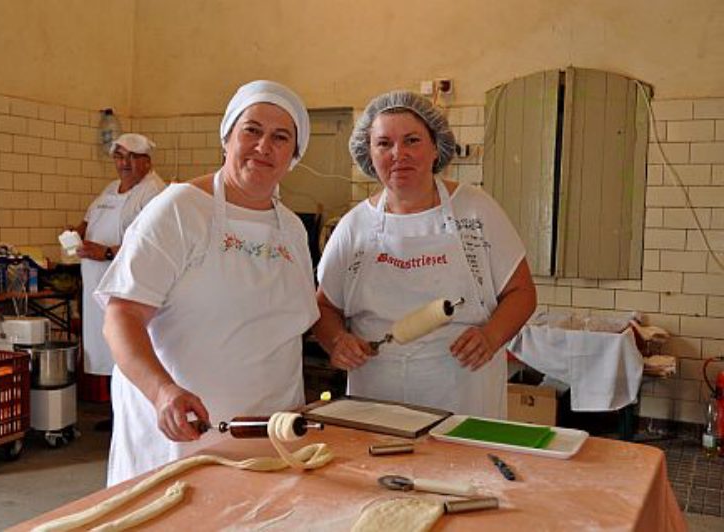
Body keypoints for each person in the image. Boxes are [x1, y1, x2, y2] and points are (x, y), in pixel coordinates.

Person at [95, 80, 319, 486]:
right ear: (227, 137)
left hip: (271, 433)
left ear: (294, 155)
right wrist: (162, 392)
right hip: (185, 433)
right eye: (251, 130)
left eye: (280, 137)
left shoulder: (291, 228)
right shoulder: (179, 210)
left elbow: (292, 322)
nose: (263, 146)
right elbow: (121, 316)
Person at [313, 91, 537, 419]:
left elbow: (522, 293)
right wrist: (336, 341)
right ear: (368, 153)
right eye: (384, 143)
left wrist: (491, 337)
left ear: (436, 147)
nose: (398, 154)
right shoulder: (354, 226)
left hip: (463, 393)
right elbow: (325, 306)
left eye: (412, 140)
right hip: (376, 399)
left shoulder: (476, 211)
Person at [73, 133, 165, 429]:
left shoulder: (154, 192)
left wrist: (107, 251)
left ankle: (134, 418)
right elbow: (87, 223)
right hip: (98, 285)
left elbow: (152, 244)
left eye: (132, 157)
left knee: (129, 346)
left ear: (147, 161)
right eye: (119, 156)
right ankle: (117, 415)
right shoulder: (110, 189)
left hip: (128, 289)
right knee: (108, 350)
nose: (124, 163)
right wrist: (76, 234)